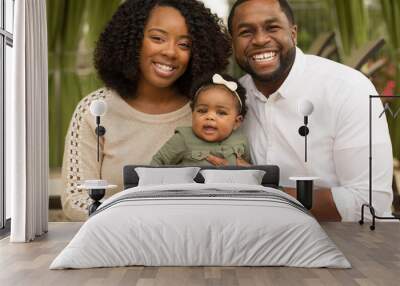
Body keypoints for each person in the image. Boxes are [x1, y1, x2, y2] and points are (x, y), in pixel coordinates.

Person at [61, 0, 231, 221]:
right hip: (117, 243)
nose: (171, 52)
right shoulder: (95, 110)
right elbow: (76, 199)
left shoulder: (209, 113)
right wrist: (140, 221)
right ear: (132, 41)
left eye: (184, 44)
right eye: (158, 38)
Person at [227, 0, 393, 221]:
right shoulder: (234, 99)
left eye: (272, 28)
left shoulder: (348, 89)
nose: (259, 39)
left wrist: (260, 193)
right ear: (233, 43)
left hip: (344, 244)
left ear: (293, 34)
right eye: (246, 32)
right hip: (259, 240)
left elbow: (369, 202)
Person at [151, 73, 251, 166]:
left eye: (221, 113)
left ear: (236, 122)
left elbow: (248, 167)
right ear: (193, 113)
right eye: (202, 111)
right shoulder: (183, 138)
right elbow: (158, 161)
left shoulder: (241, 141)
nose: (210, 117)